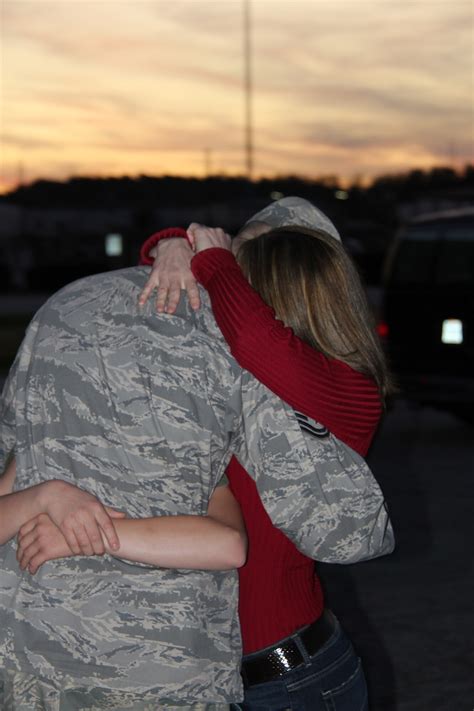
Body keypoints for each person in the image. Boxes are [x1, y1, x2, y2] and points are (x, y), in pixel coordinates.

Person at [0, 257, 392, 709]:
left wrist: (81, 532)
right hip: (221, 674)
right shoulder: (209, 409)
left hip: (287, 676)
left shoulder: (339, 393)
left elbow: (227, 544)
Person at [138, 196, 394, 710]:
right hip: (213, 680)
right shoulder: (236, 375)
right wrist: (169, 244)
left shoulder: (349, 391)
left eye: (237, 276)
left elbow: (255, 338)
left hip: (293, 682)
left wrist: (210, 260)